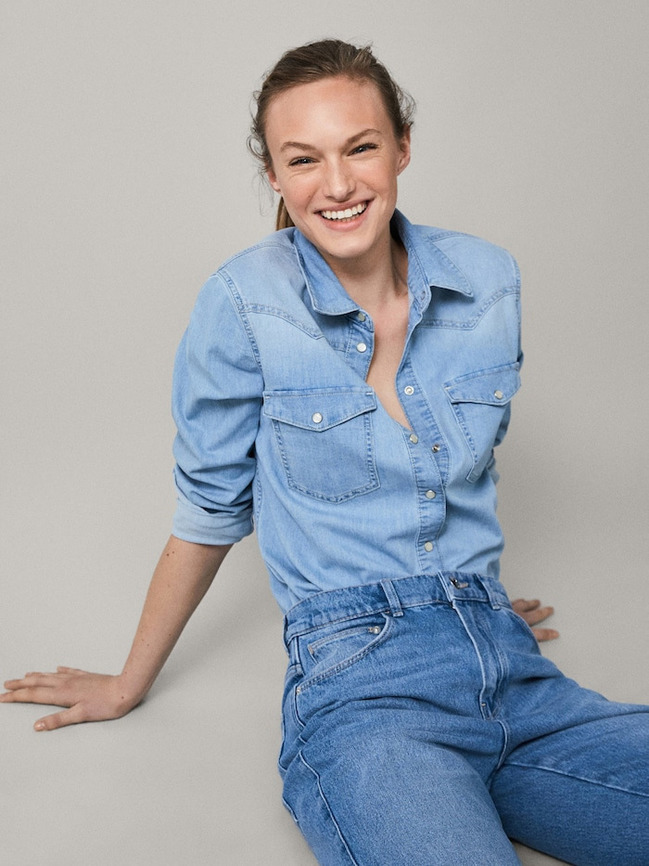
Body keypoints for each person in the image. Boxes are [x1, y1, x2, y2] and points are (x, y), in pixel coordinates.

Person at [2, 39, 648, 866]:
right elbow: (209, 510)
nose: (336, 184)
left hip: (515, 678)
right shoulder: (244, 302)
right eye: (303, 159)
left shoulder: (488, 281)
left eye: (360, 148)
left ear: (401, 147)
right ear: (274, 174)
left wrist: (460, 599)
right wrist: (129, 681)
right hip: (364, 694)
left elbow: (464, 473)